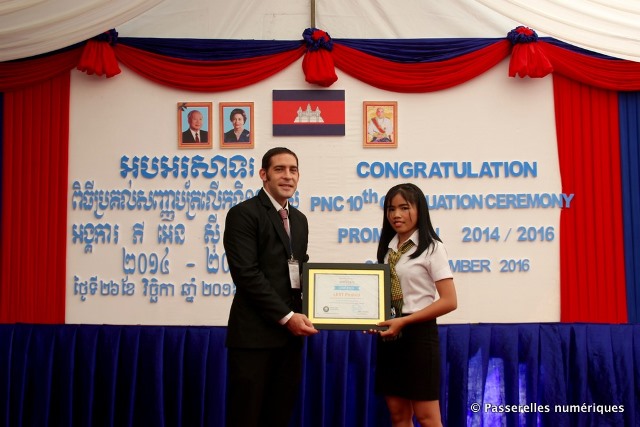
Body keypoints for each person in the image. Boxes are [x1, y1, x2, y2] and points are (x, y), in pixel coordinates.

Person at [223, 147, 318, 427]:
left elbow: (299, 270)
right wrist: (288, 317)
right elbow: (247, 274)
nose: (287, 176)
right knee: (247, 417)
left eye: (293, 170)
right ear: (264, 175)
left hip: (289, 340)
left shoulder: (299, 220)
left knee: (279, 416)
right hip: (254, 338)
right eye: (280, 169)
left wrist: (323, 305)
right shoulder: (243, 214)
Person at [369, 183, 457, 427]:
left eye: (404, 208)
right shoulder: (387, 251)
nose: (396, 215)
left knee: (427, 418)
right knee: (398, 416)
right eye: (391, 209)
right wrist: (373, 320)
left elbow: (450, 301)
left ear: (420, 210)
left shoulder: (432, 248)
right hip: (390, 337)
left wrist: (404, 321)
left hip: (418, 336)